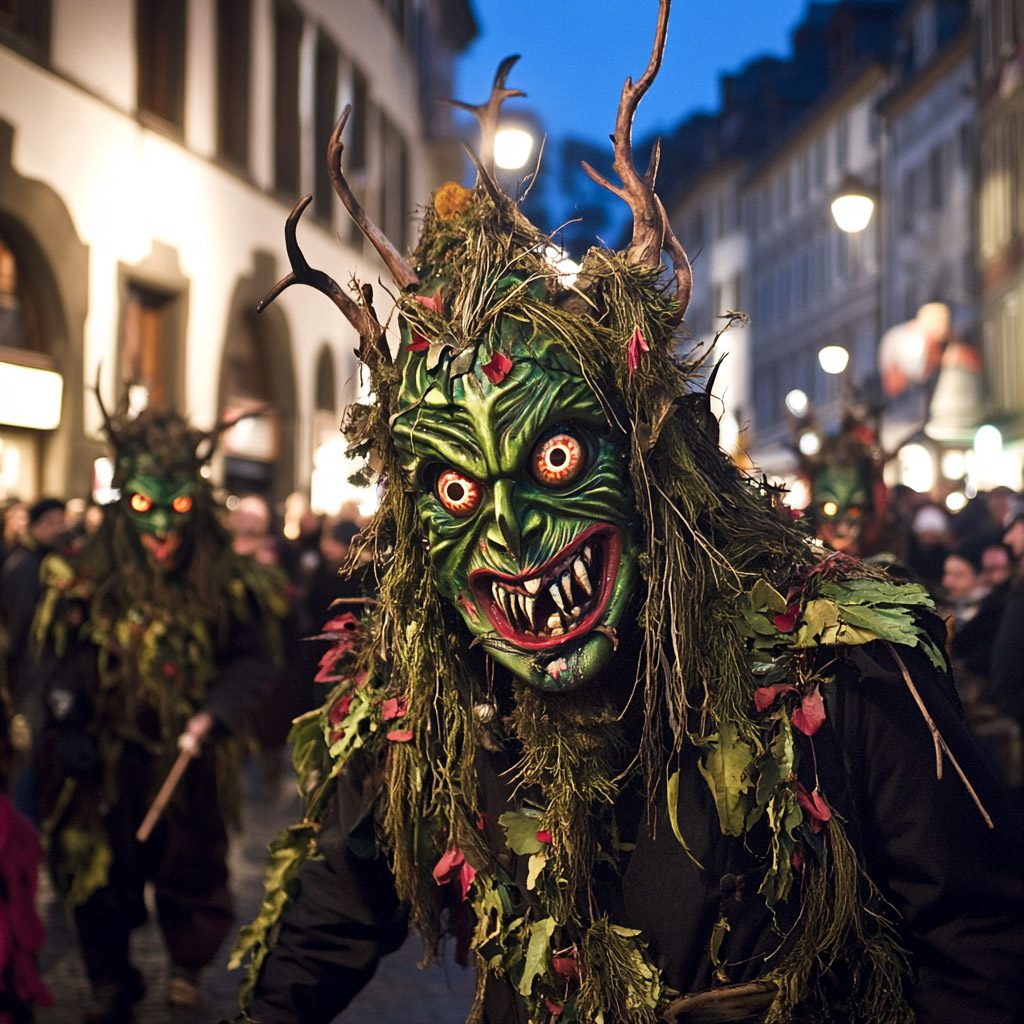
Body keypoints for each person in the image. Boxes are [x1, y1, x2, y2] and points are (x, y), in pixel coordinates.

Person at [231, 6, 1023, 1022]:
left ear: (641, 440)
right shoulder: (433, 692)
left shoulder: (843, 663)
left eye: (555, 457)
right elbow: (332, 913)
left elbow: (984, 944)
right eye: (461, 489)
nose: (512, 534)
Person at [31, 399, 286, 1023]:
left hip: (189, 761)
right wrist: (66, 724)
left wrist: (214, 715)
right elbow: (55, 661)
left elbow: (254, 661)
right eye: (145, 508)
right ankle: (110, 978)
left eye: (178, 510)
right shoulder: (82, 581)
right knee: (97, 876)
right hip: (105, 759)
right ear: (124, 507)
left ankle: (186, 967)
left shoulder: (226, 584)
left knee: (194, 868)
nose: (164, 534)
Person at [0, 496, 67, 816]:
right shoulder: (25, 568)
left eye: (62, 520)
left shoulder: (50, 565)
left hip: (45, 678)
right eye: (53, 522)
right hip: (31, 681)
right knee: (26, 758)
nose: (60, 528)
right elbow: (18, 632)